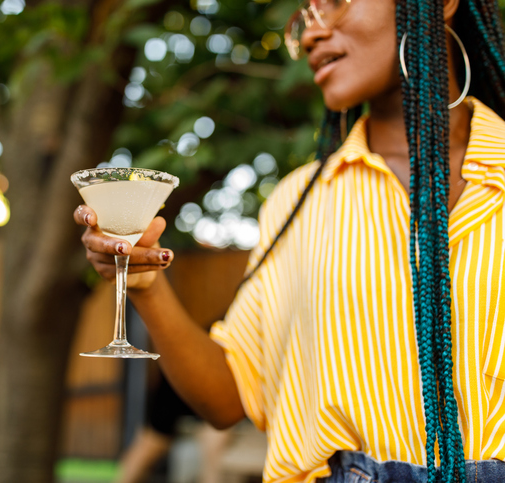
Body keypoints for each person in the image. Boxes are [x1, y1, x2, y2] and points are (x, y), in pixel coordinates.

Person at [74, 0, 505, 481]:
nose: (312, 35)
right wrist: (146, 284)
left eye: (336, 4)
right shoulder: (297, 201)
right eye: (304, 19)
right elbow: (228, 397)